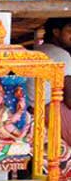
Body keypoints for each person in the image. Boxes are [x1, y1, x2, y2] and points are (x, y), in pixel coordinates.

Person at [27, 18, 71, 146]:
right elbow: (70, 100)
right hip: (48, 109)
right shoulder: (61, 55)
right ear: (56, 32)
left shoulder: (37, 50)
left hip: (31, 108)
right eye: (69, 31)